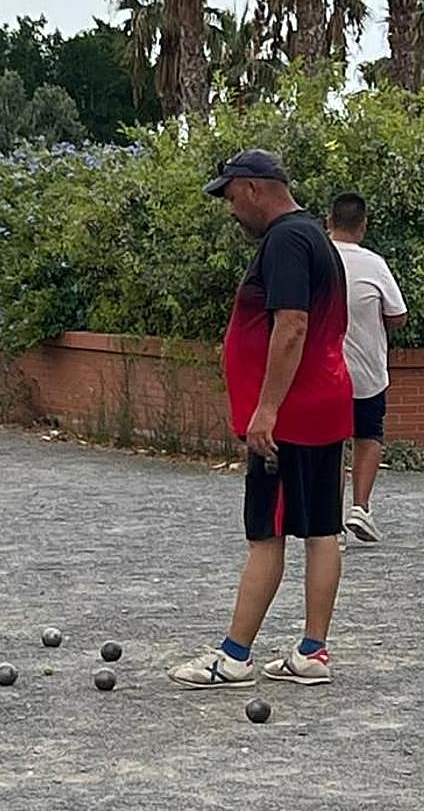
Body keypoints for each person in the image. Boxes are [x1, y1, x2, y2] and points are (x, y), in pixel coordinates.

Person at [168, 150, 354, 688]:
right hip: (323, 404)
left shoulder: (286, 240)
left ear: (254, 188)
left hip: (289, 416)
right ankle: (312, 653)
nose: (230, 209)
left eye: (231, 197)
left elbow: (291, 325)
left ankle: (233, 657)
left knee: (266, 533)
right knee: (322, 529)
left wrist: (266, 409)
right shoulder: (314, 235)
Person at [327, 193, 408, 544]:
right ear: (363, 225)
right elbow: (398, 315)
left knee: (330, 444)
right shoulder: (374, 264)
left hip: (323, 371)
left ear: (328, 222)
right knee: (368, 435)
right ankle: (360, 508)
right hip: (368, 373)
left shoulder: (315, 258)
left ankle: (330, 522)